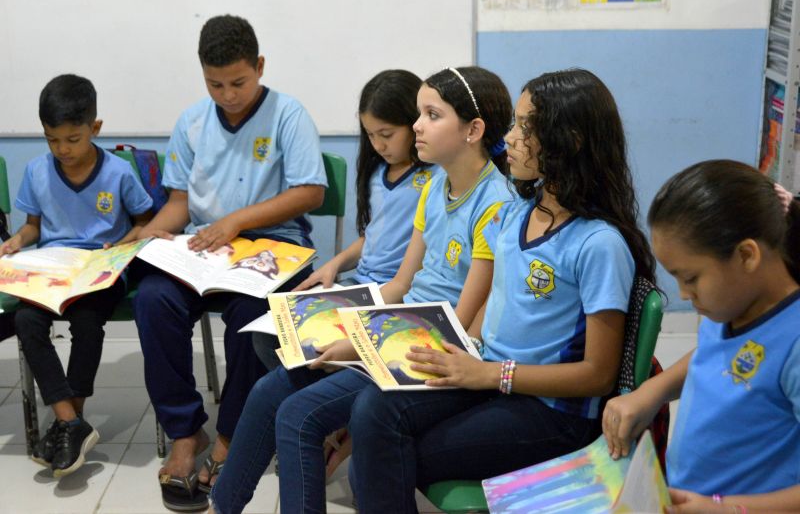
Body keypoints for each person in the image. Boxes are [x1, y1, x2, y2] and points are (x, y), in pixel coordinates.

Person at [346, 68, 656, 513]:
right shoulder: (517, 213)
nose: (508, 137)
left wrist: (492, 374)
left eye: (524, 127)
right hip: (491, 376)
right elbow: (494, 298)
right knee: (374, 412)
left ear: (567, 141)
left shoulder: (598, 243)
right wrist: (465, 353)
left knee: (387, 452)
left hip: (550, 409)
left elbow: (598, 375)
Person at [209, 66, 514, 514]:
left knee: (297, 417)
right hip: (403, 328)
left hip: (434, 349)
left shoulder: (496, 205)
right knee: (267, 391)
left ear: (473, 130)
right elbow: (400, 285)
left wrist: (359, 344)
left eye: (431, 115)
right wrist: (345, 322)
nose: (417, 127)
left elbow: (460, 329)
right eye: (417, 114)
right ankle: (223, 505)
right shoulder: (434, 186)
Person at [131, 15, 327, 511]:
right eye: (214, 84)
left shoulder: (288, 114)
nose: (228, 94)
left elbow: (310, 191)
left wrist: (238, 221)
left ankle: (231, 438)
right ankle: (184, 432)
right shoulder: (192, 120)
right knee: (154, 299)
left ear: (259, 67)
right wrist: (155, 229)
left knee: (250, 318)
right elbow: (179, 201)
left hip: (272, 248)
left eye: (238, 82)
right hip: (207, 248)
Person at [603, 160, 800, 514]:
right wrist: (651, 392)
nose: (682, 294)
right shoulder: (728, 305)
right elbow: (711, 357)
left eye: (690, 278)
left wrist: (730, 509)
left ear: (746, 255)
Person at [0, 74, 153, 477]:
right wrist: (16, 241)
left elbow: (144, 224)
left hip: (101, 272)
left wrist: (121, 245)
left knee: (86, 322)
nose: (62, 150)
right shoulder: (37, 171)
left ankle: (71, 419)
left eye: (72, 139)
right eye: (52, 140)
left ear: (95, 128)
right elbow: (33, 226)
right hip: (53, 270)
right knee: (27, 320)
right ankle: (70, 421)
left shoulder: (118, 173)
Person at [295, 69, 431, 290]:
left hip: (401, 290)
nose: (378, 145)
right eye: (370, 134)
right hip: (361, 283)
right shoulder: (376, 172)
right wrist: (334, 265)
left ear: (414, 123)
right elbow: (372, 239)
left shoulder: (435, 176)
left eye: (387, 135)